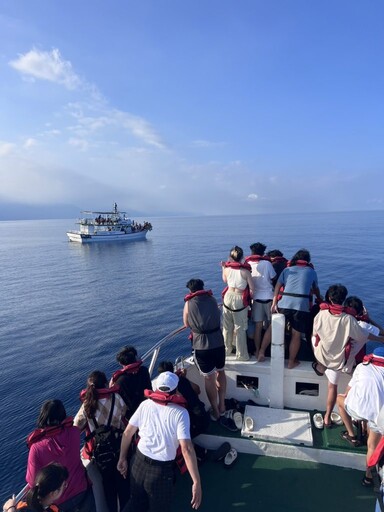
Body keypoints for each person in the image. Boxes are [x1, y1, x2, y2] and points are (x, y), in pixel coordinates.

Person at [117, 371, 202, 512]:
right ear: (176, 390)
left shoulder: (145, 405)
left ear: (157, 388)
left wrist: (122, 458)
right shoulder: (181, 413)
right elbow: (186, 449)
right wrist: (196, 482)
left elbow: (127, 433)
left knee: (136, 502)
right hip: (160, 472)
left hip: (137, 464)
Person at [312, 284, 383, 428]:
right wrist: (368, 320)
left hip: (324, 357)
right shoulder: (349, 320)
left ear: (330, 298)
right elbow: (362, 335)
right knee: (351, 383)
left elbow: (315, 334)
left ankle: (326, 418)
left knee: (332, 387)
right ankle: (358, 421)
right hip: (342, 362)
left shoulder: (321, 314)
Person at [26, 400, 95, 512]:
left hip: (58, 502)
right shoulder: (74, 433)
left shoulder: (36, 448)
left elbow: (33, 480)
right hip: (83, 491)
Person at [74, 371, 129, 512]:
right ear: (105, 383)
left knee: (108, 488)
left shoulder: (86, 406)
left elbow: (76, 426)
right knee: (124, 485)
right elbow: (124, 413)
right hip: (119, 447)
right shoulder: (116, 398)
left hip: (101, 452)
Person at [183, 278, 228, 426]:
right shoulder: (212, 299)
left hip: (202, 346)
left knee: (209, 378)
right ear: (203, 287)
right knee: (221, 372)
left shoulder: (188, 304)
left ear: (190, 291)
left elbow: (186, 323)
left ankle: (215, 410)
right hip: (218, 343)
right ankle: (222, 405)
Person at [336, 347, 384, 486]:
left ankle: (352, 435)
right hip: (378, 416)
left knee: (340, 399)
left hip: (357, 409)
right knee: (372, 446)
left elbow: (347, 392)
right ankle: (368, 478)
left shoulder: (362, 367)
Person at [271, 248, 322, 369]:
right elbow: (315, 289)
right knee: (296, 335)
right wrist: (320, 298)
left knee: (276, 329)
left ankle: (262, 351)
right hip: (301, 306)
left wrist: (274, 303)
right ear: (307, 261)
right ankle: (291, 362)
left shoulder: (287, 270)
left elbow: (278, 286)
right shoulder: (311, 271)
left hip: (284, 304)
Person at [158, 361, 209, 439]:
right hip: (204, 419)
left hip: (194, 427)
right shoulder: (182, 380)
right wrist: (185, 378)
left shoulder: (169, 394)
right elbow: (198, 390)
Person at [221, 246, 254, 361]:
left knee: (226, 326)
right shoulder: (245, 272)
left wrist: (223, 267)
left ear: (230, 257)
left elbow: (225, 280)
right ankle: (241, 355)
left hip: (228, 297)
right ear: (242, 257)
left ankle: (227, 350)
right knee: (240, 328)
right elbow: (252, 289)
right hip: (239, 298)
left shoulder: (227, 269)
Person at [245, 242, 276, 359]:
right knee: (270, 326)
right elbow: (273, 277)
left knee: (258, 326)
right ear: (263, 252)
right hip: (268, 297)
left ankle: (257, 351)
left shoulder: (247, 264)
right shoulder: (267, 263)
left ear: (252, 252)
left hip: (256, 299)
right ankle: (267, 350)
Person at [109, 346, 152, 420]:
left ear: (120, 362)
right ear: (135, 358)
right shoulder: (144, 370)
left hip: (132, 415)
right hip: (148, 408)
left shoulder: (120, 381)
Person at [4, 463, 69, 512]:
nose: (65, 486)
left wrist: (11, 508)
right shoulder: (53, 509)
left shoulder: (21, 506)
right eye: (64, 485)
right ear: (54, 493)